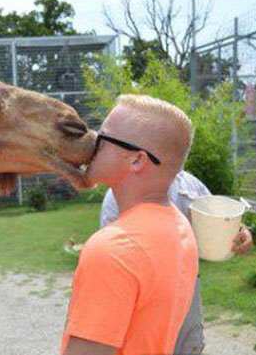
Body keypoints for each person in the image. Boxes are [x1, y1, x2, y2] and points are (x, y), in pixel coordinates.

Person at [61, 95, 198, 355]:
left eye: (102, 138)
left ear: (137, 160)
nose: (91, 143)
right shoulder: (180, 228)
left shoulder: (115, 249)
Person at [101, 172, 253, 354]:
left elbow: (219, 215)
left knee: (188, 345)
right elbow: (110, 250)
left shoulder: (190, 184)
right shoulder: (121, 191)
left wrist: (241, 229)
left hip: (187, 285)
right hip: (144, 291)